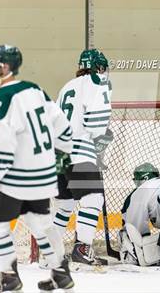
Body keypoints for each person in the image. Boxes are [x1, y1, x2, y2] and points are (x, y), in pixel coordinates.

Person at [0, 45, 74, 291]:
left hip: (16, 177)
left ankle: (9, 276)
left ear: (3, 67)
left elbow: (2, 144)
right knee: (40, 223)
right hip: (43, 175)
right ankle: (61, 272)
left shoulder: (1, 99)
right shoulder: (35, 89)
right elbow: (62, 127)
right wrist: (65, 150)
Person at [52, 48, 113, 265]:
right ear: (99, 67)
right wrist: (101, 137)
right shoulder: (98, 83)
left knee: (65, 204)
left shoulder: (66, 87)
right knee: (93, 199)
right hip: (80, 152)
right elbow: (95, 126)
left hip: (58, 154)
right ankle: (82, 248)